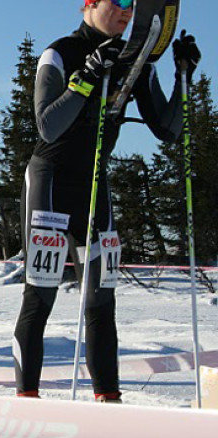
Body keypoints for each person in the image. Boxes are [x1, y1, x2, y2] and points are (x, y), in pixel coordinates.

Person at [13, 0, 199, 413]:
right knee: (40, 297)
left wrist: (183, 75)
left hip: (96, 186)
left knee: (101, 298)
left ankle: (108, 404)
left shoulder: (135, 59)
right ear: (88, 4)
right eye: (119, 2)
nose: (128, 12)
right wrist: (87, 76)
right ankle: (28, 407)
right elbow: (47, 125)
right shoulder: (60, 52)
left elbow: (166, 130)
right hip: (50, 183)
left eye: (134, 5)